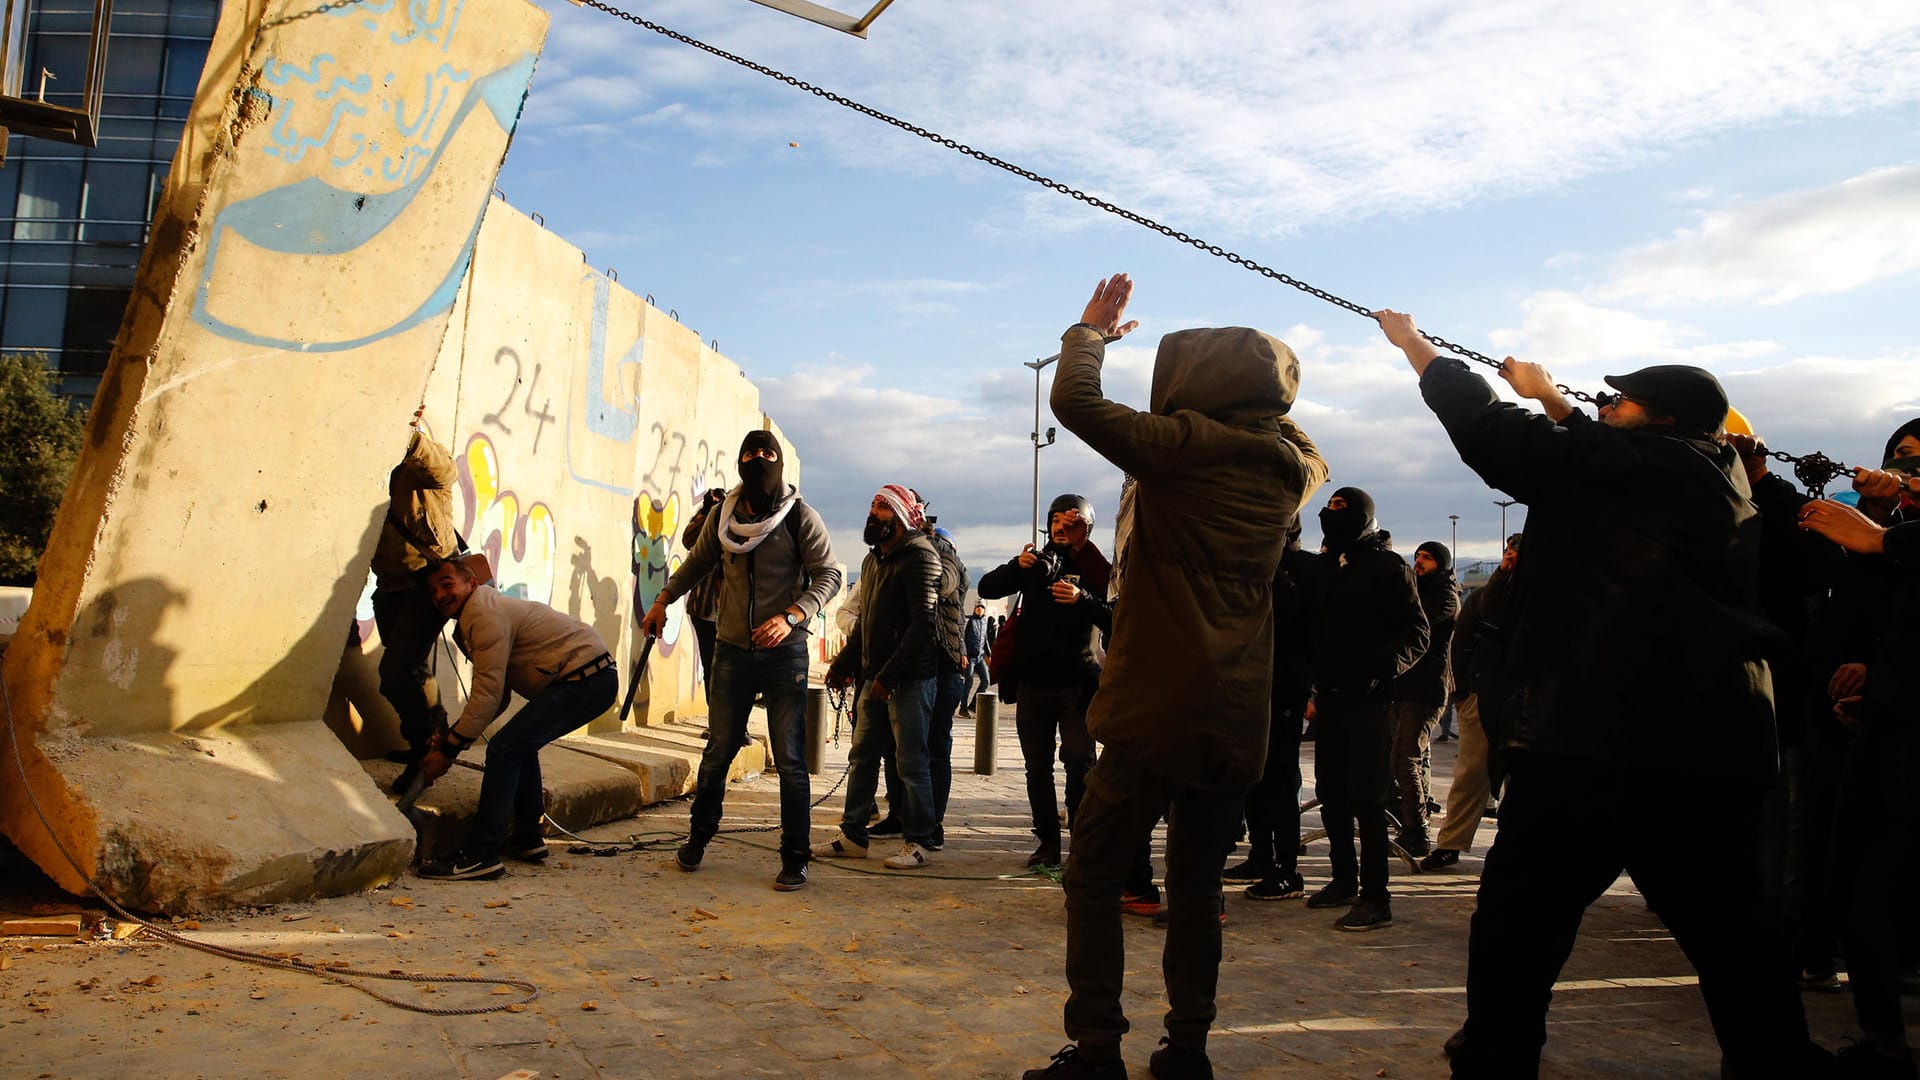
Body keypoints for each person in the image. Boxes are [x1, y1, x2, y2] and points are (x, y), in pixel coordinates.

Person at [1375, 310, 1827, 1077]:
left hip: (1592, 742)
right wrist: (1559, 408)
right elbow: (1594, 458)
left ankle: (1496, 1054)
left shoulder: (1621, 468)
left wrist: (1417, 348)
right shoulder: (1718, 481)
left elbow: (1490, 430)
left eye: (1619, 402)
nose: (1603, 407)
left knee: (1521, 924)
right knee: (1733, 933)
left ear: (1665, 418)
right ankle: (1775, 1060)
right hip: (1711, 749)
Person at [1023, 273, 1327, 1080]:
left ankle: (1096, 1050)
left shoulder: (1188, 449)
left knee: (1092, 871)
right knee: (1196, 887)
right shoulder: (1292, 467)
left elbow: (1078, 406)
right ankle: (1186, 1049)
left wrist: (1087, 333)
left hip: (1154, 706)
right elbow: (1303, 443)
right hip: (1234, 714)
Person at [643, 430, 841, 891]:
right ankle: (698, 837)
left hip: (784, 653)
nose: (759, 461)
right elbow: (698, 562)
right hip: (731, 651)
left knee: (791, 760)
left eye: (767, 454)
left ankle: (795, 857)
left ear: (779, 464)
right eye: (750, 454)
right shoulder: (723, 516)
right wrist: (663, 599)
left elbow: (828, 574)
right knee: (718, 752)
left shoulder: (799, 518)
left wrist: (793, 616)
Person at [1798, 481, 1920, 1080]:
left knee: (1873, 882)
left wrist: (1880, 539)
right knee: (1857, 882)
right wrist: (1878, 691)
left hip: (1900, 740)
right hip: (1884, 730)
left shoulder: (1894, 544)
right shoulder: (1890, 555)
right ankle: (1882, 1043)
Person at [414, 557, 617, 880]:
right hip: (591, 677)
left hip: (586, 678)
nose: (440, 595)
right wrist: (454, 738)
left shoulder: (482, 613)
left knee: (505, 748)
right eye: (433, 590)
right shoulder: (476, 617)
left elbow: (488, 696)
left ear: (471, 583)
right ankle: (527, 837)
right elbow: (498, 695)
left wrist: (449, 750)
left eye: (447, 584)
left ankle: (482, 854)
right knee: (517, 744)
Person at [1305, 487, 1429, 931]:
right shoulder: (1324, 569)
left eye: (1340, 508)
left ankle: (1377, 896)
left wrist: (1383, 668)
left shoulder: (1388, 567)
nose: (1329, 513)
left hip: (1369, 701)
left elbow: (1417, 632)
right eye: (1329, 506)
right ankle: (1344, 880)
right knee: (1332, 794)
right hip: (1330, 701)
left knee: (1367, 798)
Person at [979, 492, 1113, 868]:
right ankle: (1047, 844)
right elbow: (989, 587)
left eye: (1069, 524)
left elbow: (1114, 615)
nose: (1060, 530)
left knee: (1078, 762)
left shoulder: (1095, 565)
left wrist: (1081, 598)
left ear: (1084, 527)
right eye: (1054, 523)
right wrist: (1017, 568)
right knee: (1036, 767)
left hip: (1077, 683)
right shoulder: (1034, 562)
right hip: (1034, 683)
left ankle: (1082, 845)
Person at [815, 484, 943, 870]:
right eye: (872, 506)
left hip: (909, 680)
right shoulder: (873, 562)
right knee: (862, 757)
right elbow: (865, 625)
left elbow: (923, 626)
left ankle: (919, 840)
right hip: (875, 677)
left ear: (902, 516)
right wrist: (843, 665)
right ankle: (854, 834)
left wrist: (890, 676)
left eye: (882, 508)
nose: (873, 514)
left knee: (911, 762)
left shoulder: (921, 558)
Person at [1224, 515, 1323, 902]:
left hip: (1287, 687)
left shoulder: (1305, 570)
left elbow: (1317, 634)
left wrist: (1312, 690)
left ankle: (1287, 869)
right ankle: (1261, 855)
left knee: (1281, 780)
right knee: (1253, 776)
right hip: (1250, 685)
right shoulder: (1251, 566)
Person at [1421, 533, 1520, 873]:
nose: (1510, 557)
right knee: (1470, 775)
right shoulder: (1485, 597)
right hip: (1481, 698)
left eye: (1517, 552)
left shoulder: (1543, 597)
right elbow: (1460, 645)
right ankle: (1450, 844)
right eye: (1508, 550)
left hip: (1525, 701)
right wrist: (1463, 693)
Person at [372, 418, 459, 794]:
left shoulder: (420, 463)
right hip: (390, 586)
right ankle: (428, 738)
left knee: (396, 670)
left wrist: (408, 436)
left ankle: (427, 753)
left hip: (426, 584)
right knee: (407, 673)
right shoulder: (372, 463)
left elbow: (446, 470)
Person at [1390, 540, 1460, 856]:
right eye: (1417, 556)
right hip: (1405, 688)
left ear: (1441, 564)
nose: (1419, 562)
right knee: (1398, 759)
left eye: (1427, 558)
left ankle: (1417, 830)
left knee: (1409, 759)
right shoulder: (1415, 592)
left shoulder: (1445, 597)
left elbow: (1418, 625)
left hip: (1427, 690)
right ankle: (1409, 824)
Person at [678, 485, 729, 701]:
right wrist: (706, 511)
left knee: (731, 670)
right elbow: (689, 541)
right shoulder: (708, 521)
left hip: (733, 612)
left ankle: (733, 723)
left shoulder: (737, 524)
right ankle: (716, 722)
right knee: (711, 666)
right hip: (704, 609)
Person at [961, 602, 992, 717]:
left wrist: (989, 655)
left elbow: (986, 640)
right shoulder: (971, 622)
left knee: (986, 681)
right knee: (968, 682)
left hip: (980, 657)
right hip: (970, 657)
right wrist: (964, 654)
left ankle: (973, 705)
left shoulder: (985, 621)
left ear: (984, 610)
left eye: (982, 607)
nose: (980, 609)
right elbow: (963, 638)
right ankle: (963, 708)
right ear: (974, 609)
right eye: (978, 607)